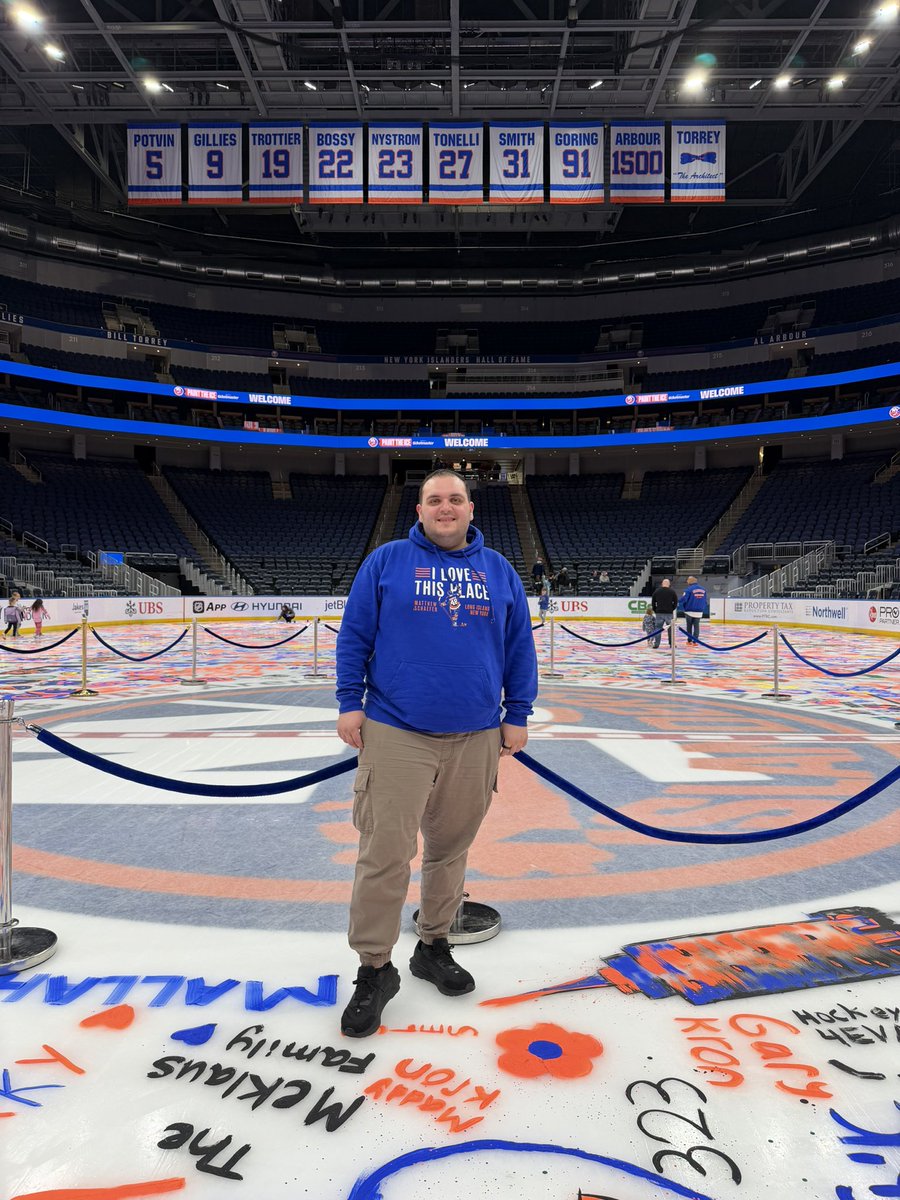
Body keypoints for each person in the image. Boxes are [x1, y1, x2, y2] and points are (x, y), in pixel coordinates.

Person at [335, 468, 538, 1039]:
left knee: (450, 851)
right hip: (397, 728)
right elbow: (354, 635)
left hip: (476, 733)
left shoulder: (498, 570)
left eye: (455, 499)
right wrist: (350, 702)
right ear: (419, 510)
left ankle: (433, 945)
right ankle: (374, 968)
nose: (445, 508)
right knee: (384, 853)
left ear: (472, 509)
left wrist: (517, 712)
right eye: (434, 500)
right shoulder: (388, 561)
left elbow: (519, 643)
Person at [680, 575, 710, 646]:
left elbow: (684, 599)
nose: (687, 582)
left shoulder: (688, 590)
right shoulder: (703, 589)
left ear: (690, 581)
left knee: (689, 626)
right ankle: (695, 641)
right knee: (696, 626)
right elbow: (705, 600)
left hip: (689, 611)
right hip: (699, 611)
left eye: (687, 580)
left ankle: (689, 640)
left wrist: (679, 603)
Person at [650, 577, 678, 648]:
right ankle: (671, 644)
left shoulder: (657, 591)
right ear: (669, 584)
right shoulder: (672, 592)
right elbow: (675, 602)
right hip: (669, 613)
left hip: (659, 613)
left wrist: (656, 610)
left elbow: (653, 602)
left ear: (662, 584)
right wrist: (672, 609)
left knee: (658, 629)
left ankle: (656, 644)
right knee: (670, 629)